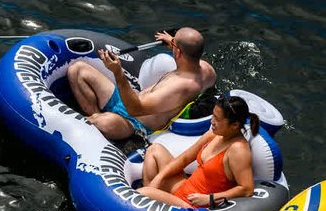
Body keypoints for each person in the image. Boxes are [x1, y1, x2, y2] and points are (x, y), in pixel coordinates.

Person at [67, 28, 216, 142]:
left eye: (174, 45)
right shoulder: (207, 71)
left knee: (99, 121)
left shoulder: (180, 87)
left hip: (135, 123)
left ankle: (96, 122)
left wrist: (118, 72)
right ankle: (96, 113)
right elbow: (187, 52)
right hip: (129, 100)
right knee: (77, 70)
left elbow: (135, 109)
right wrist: (171, 41)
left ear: (178, 52)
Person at [138, 95, 260, 209]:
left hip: (193, 207)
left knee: (142, 193)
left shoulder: (238, 150)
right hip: (184, 189)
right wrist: (159, 178)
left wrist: (209, 198)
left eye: (217, 119)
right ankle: (150, 206)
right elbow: (185, 159)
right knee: (154, 150)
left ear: (234, 125)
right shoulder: (214, 134)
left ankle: (149, 203)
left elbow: (246, 189)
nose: (212, 121)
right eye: (212, 116)